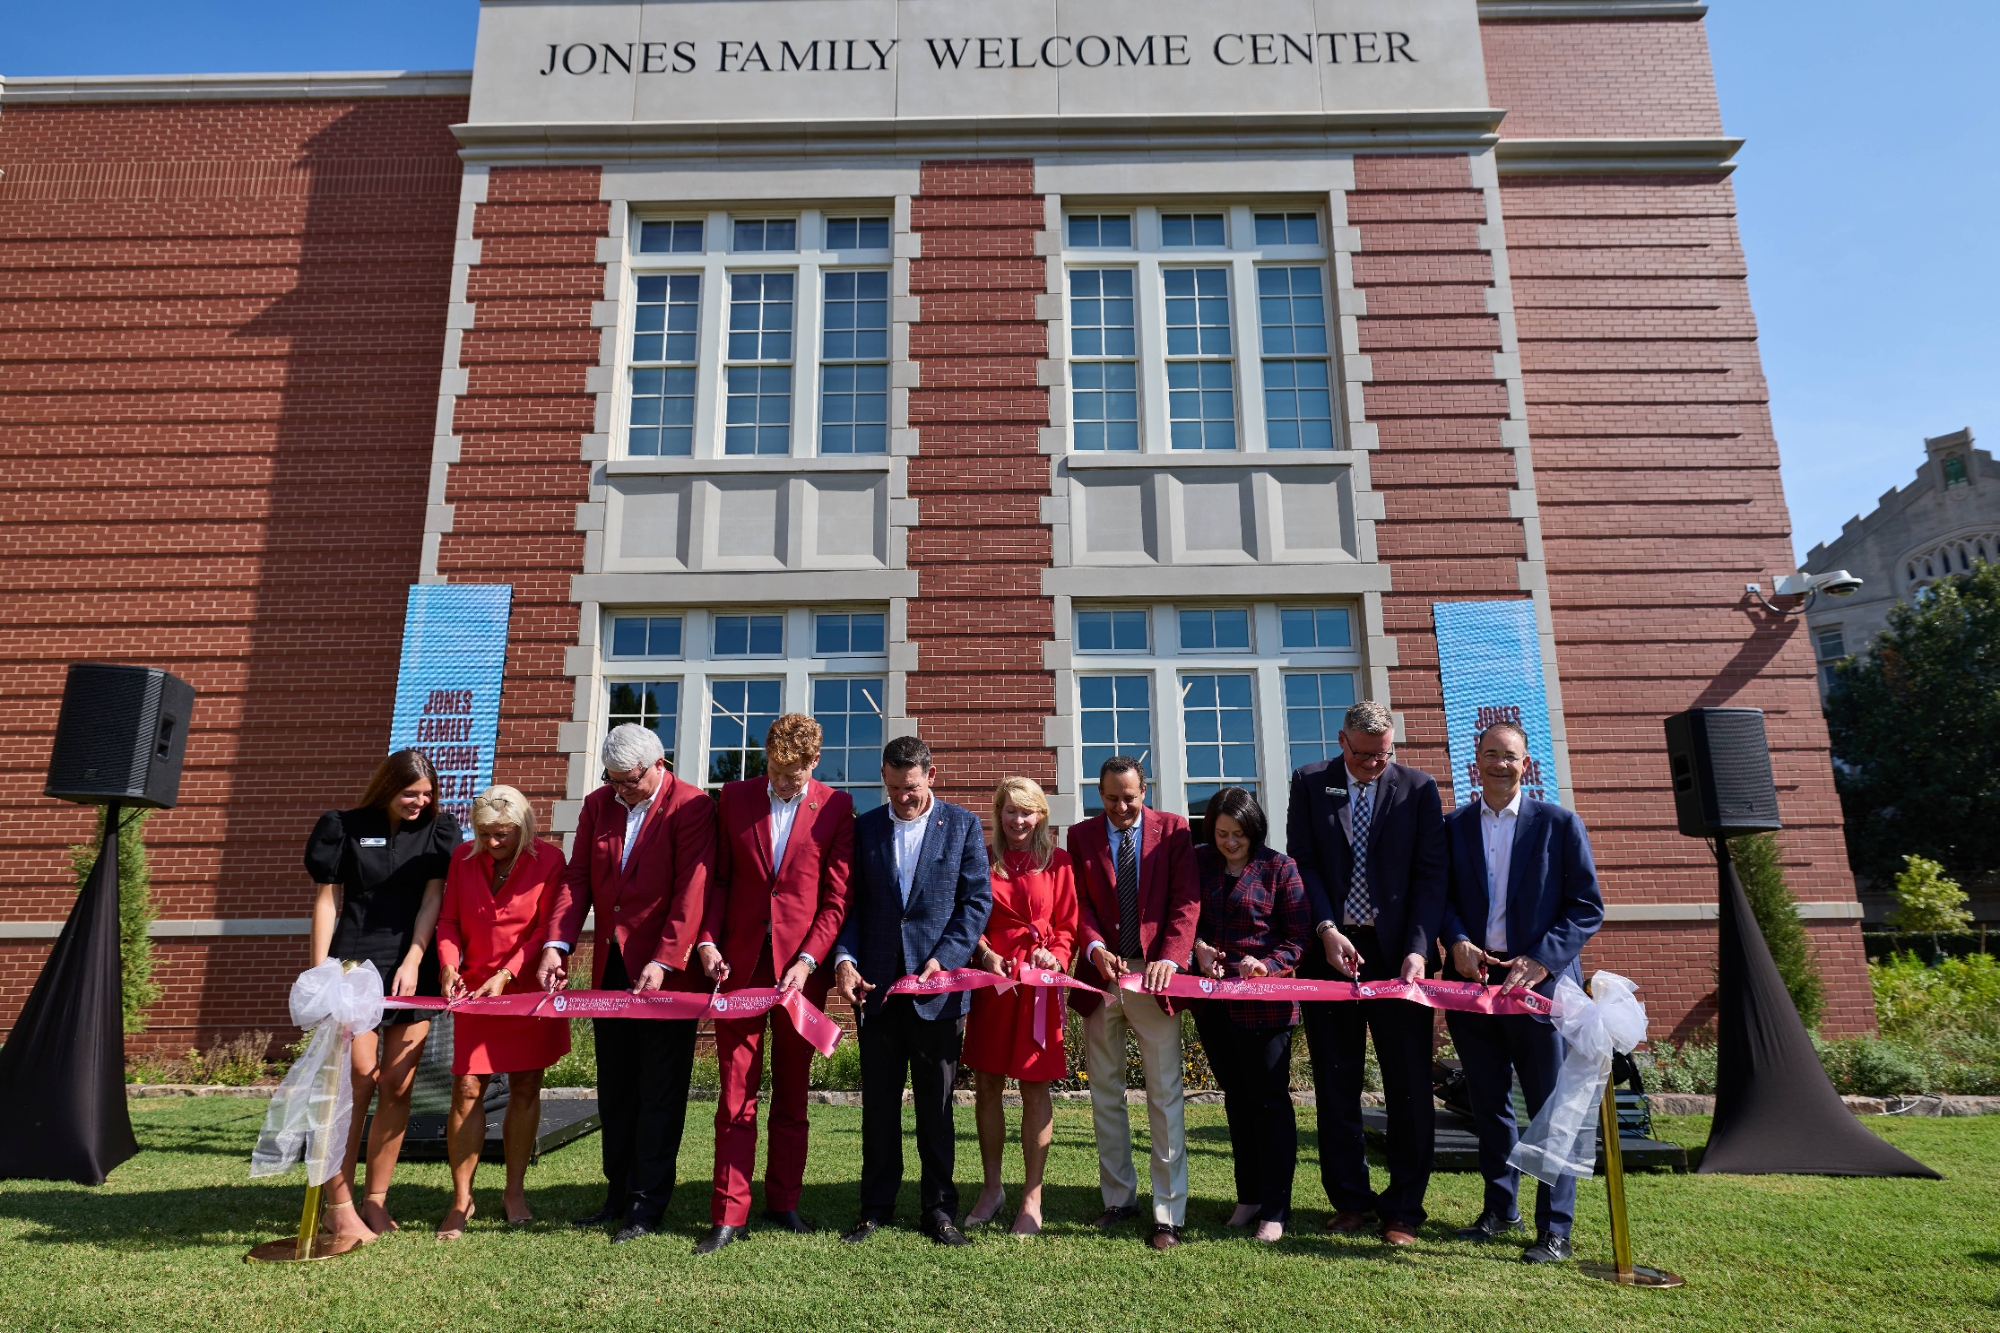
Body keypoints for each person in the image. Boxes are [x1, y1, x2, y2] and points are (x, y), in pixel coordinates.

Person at [535, 723, 713, 1245]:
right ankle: (618, 1192)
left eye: (628, 781)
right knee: (615, 1086)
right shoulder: (597, 805)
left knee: (659, 1089)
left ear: (659, 765)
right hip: (613, 965)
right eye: (612, 781)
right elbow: (578, 878)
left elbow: (691, 890)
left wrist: (666, 957)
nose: (620, 790)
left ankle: (647, 1202)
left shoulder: (692, 806)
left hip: (666, 969)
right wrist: (557, 944)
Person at [1440, 721, 1605, 1265]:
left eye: (1509, 756)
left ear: (1526, 763)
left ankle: (1554, 1229)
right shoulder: (1454, 826)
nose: (1499, 764)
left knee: (1550, 1111)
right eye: (1490, 754)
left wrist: (1540, 960)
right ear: (1475, 762)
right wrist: (1457, 939)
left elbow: (1586, 906)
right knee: (1488, 1106)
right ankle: (1499, 1208)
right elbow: (1438, 898)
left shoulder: (1559, 824)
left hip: (1541, 994)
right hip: (1474, 991)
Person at [1286, 699, 1447, 1246]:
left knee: (1408, 1085)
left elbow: (1431, 876)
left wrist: (1420, 950)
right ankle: (1350, 1198)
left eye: (1384, 755)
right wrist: (1327, 928)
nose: (1376, 765)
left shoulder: (1419, 789)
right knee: (1336, 1081)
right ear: (1341, 742)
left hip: (1399, 957)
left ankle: (1404, 1209)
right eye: (1365, 756)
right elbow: (1303, 861)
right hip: (1330, 953)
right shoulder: (1310, 783)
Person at [693, 714, 854, 1255]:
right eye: (775, 770)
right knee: (735, 1094)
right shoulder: (734, 798)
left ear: (814, 762)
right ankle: (727, 1214)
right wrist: (708, 942)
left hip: (799, 975)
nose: (783, 781)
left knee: (791, 1093)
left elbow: (835, 900)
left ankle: (783, 1203)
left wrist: (810, 960)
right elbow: (717, 879)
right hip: (738, 967)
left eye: (794, 773)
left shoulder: (837, 806)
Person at [832, 736, 992, 1247]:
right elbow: (849, 905)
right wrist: (845, 958)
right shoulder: (865, 829)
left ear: (932, 774)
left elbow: (975, 903)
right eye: (897, 787)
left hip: (938, 993)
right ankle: (875, 1208)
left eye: (914, 787)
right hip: (877, 992)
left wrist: (943, 958)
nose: (905, 797)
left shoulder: (963, 825)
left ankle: (939, 1211)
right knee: (878, 1107)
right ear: (884, 778)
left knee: (937, 1109)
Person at [304, 748, 460, 1244]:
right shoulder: (343, 826)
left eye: (427, 794)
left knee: (396, 1083)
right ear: (387, 787)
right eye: (410, 794)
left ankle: (375, 1200)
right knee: (355, 1081)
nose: (420, 802)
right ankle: (338, 1204)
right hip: (353, 963)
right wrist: (321, 971)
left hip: (413, 966)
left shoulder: (439, 831)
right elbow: (327, 901)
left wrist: (416, 959)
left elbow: (434, 897)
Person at [1065, 755, 1201, 1251]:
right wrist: (1095, 947)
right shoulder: (1079, 837)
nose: (1121, 807)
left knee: (1164, 1096)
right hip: (1102, 978)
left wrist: (1171, 958)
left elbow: (1186, 902)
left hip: (1154, 978)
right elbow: (1076, 903)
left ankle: (1168, 1214)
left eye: (1130, 797)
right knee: (1105, 1093)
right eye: (1111, 799)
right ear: (1098, 795)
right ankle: (1118, 1199)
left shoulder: (1175, 831)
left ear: (1145, 791)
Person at [434, 785, 571, 1238]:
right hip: (473, 989)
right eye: (485, 833)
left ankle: (514, 1189)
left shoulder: (549, 861)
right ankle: (461, 1199)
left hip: (528, 988)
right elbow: (450, 920)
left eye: (502, 835)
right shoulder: (462, 859)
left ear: (524, 827)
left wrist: (508, 975)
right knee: (467, 1088)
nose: (492, 843)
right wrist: (450, 965)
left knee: (527, 1084)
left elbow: (545, 931)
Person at [1187, 787, 1311, 1244]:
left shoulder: (1280, 867)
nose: (1230, 842)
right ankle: (1249, 1196)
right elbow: (1188, 919)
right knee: (1237, 1100)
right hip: (1214, 1003)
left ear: (1254, 829)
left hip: (1268, 1005)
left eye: (1238, 834)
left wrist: (1268, 965)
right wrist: (1198, 949)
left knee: (1269, 1104)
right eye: (1221, 833)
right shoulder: (1200, 862)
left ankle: (1277, 1206)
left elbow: (1298, 938)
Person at [961, 777, 1078, 1236]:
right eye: (1010, 811)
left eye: (1027, 811)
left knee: (1034, 1088)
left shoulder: (1061, 863)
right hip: (995, 984)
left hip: (1038, 990)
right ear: (998, 813)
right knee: (987, 1086)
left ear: (1042, 815)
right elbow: (968, 918)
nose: (1018, 821)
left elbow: (1069, 925)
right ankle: (992, 1188)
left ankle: (1032, 1194)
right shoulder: (982, 861)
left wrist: (1058, 955)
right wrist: (985, 952)